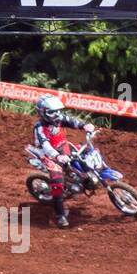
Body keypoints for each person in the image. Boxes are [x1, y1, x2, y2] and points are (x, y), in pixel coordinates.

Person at [32, 94, 95, 228]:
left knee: (85, 155)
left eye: (57, 111)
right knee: (57, 183)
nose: (56, 115)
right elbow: (45, 145)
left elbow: (72, 121)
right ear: (43, 112)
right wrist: (57, 156)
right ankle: (60, 215)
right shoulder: (40, 127)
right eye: (52, 112)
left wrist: (85, 125)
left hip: (63, 148)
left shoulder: (59, 119)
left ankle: (86, 180)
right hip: (49, 156)